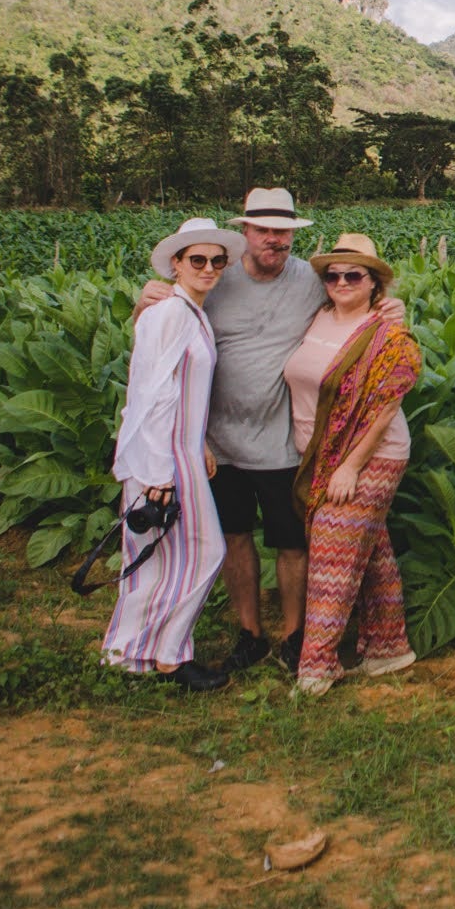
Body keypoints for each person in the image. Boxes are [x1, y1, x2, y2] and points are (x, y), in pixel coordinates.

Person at [137, 186, 330, 673]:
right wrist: (145, 305)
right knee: (234, 536)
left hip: (281, 440)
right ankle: (250, 632)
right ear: (245, 232)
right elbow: (165, 336)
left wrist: (391, 309)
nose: (274, 239)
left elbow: (359, 294)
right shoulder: (215, 277)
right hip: (217, 444)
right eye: (263, 229)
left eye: (283, 231)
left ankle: (294, 634)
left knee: (291, 542)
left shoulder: (310, 279)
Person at [103, 217, 242, 690]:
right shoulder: (169, 315)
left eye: (216, 260)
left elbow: (183, 390)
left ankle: (135, 653)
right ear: (177, 265)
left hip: (181, 449)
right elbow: (151, 395)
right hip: (160, 457)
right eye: (197, 260)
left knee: (159, 557)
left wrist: (197, 440)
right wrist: (160, 473)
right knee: (202, 552)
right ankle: (166, 656)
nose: (208, 268)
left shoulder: (191, 311)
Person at [287, 232, 421, 696]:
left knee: (333, 554)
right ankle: (389, 648)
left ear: (373, 282)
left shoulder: (387, 333)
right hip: (322, 453)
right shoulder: (318, 317)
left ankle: (317, 666)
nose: (341, 281)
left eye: (353, 274)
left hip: (372, 456)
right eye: (333, 274)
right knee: (371, 547)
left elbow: (386, 408)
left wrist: (350, 466)